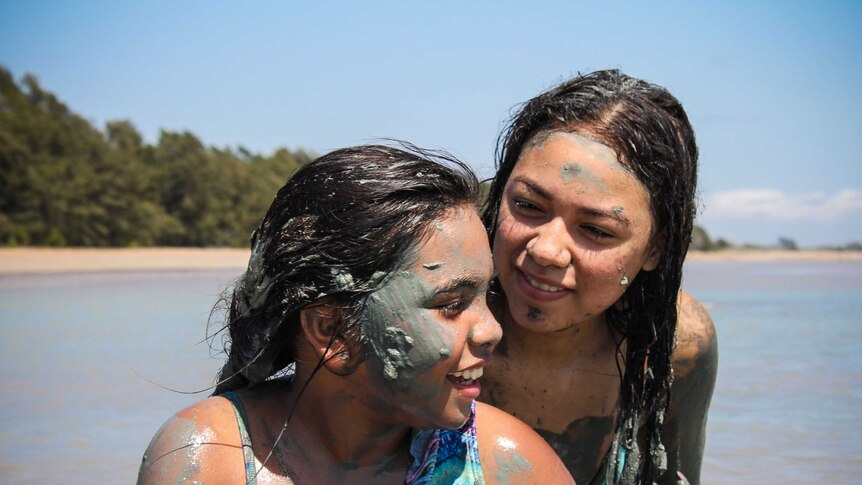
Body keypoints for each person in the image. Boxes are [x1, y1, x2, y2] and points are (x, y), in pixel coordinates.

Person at [137, 144, 574, 484]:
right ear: (332, 331)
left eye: (486, 295)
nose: (492, 330)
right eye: (451, 305)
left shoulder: (508, 465)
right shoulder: (212, 460)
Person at [480, 70, 718, 485]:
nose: (545, 250)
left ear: (655, 249)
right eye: (527, 205)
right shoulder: (435, 324)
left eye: (595, 230)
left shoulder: (674, 345)